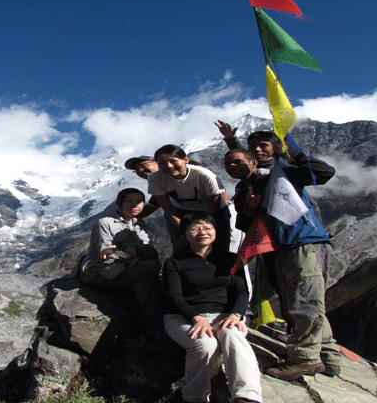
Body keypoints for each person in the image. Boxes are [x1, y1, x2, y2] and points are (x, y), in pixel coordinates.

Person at [216, 121, 341, 380]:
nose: (258, 150)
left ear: (274, 149)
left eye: (264, 146)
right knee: (306, 301)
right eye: (253, 147)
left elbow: (324, 171)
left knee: (303, 301)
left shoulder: (285, 173)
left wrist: (291, 148)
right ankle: (328, 356)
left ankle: (305, 359)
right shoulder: (245, 188)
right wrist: (250, 207)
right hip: (279, 248)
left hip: (301, 241)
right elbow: (244, 224)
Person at [162, 212, 263, 403]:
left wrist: (236, 315)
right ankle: (194, 398)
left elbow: (242, 291)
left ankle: (247, 396)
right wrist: (196, 318)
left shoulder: (231, 259)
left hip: (224, 315)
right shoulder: (174, 263)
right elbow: (173, 296)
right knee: (204, 344)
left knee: (232, 335)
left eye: (207, 228)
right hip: (184, 317)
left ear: (216, 232)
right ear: (184, 234)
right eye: (195, 228)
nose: (202, 232)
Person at [81, 188, 165, 340]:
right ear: (118, 203)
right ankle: (153, 324)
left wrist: (121, 249)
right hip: (99, 271)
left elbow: (145, 248)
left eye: (139, 202)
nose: (134, 205)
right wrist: (131, 255)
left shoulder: (138, 223)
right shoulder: (104, 223)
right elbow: (105, 257)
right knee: (147, 273)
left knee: (150, 252)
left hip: (123, 267)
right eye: (129, 201)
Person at [147, 144, 232, 252]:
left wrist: (201, 227)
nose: (169, 166)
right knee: (182, 247)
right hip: (180, 212)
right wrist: (184, 231)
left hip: (214, 212)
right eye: (162, 163)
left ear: (186, 159)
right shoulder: (155, 179)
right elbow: (167, 208)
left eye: (173, 161)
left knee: (219, 248)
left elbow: (214, 203)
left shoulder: (204, 175)